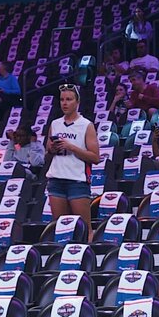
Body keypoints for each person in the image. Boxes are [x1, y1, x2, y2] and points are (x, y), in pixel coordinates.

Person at [45, 84, 100, 242]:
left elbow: (95, 157)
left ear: (77, 102)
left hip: (77, 181)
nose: (65, 103)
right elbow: (48, 153)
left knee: (84, 228)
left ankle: (87, 255)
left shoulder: (86, 125)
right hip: (56, 179)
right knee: (60, 228)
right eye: (62, 100)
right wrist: (52, 149)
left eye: (69, 99)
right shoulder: (55, 124)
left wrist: (71, 147)